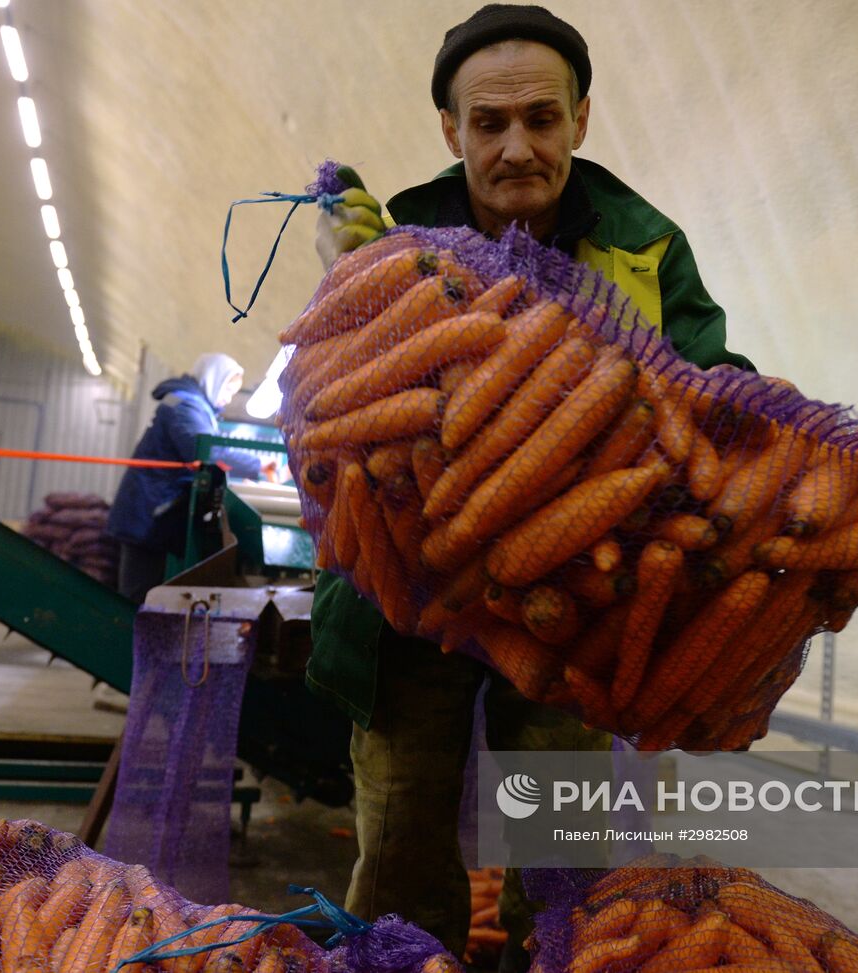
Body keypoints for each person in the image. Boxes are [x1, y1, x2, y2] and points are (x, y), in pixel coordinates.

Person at [306, 5, 755, 967]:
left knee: (561, 853)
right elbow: (330, 411)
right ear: (450, 130)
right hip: (408, 602)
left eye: (542, 120)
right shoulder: (401, 230)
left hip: (572, 603)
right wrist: (350, 288)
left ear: (581, 120)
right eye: (488, 124)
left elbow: (715, 389)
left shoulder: (645, 245)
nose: (517, 148)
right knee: (397, 836)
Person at [107, 352, 261, 604]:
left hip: (152, 511)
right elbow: (205, 449)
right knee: (137, 599)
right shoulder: (185, 406)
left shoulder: (191, 405)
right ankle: (127, 641)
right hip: (149, 514)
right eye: (227, 389)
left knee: (144, 595)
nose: (227, 398)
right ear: (213, 380)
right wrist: (260, 466)